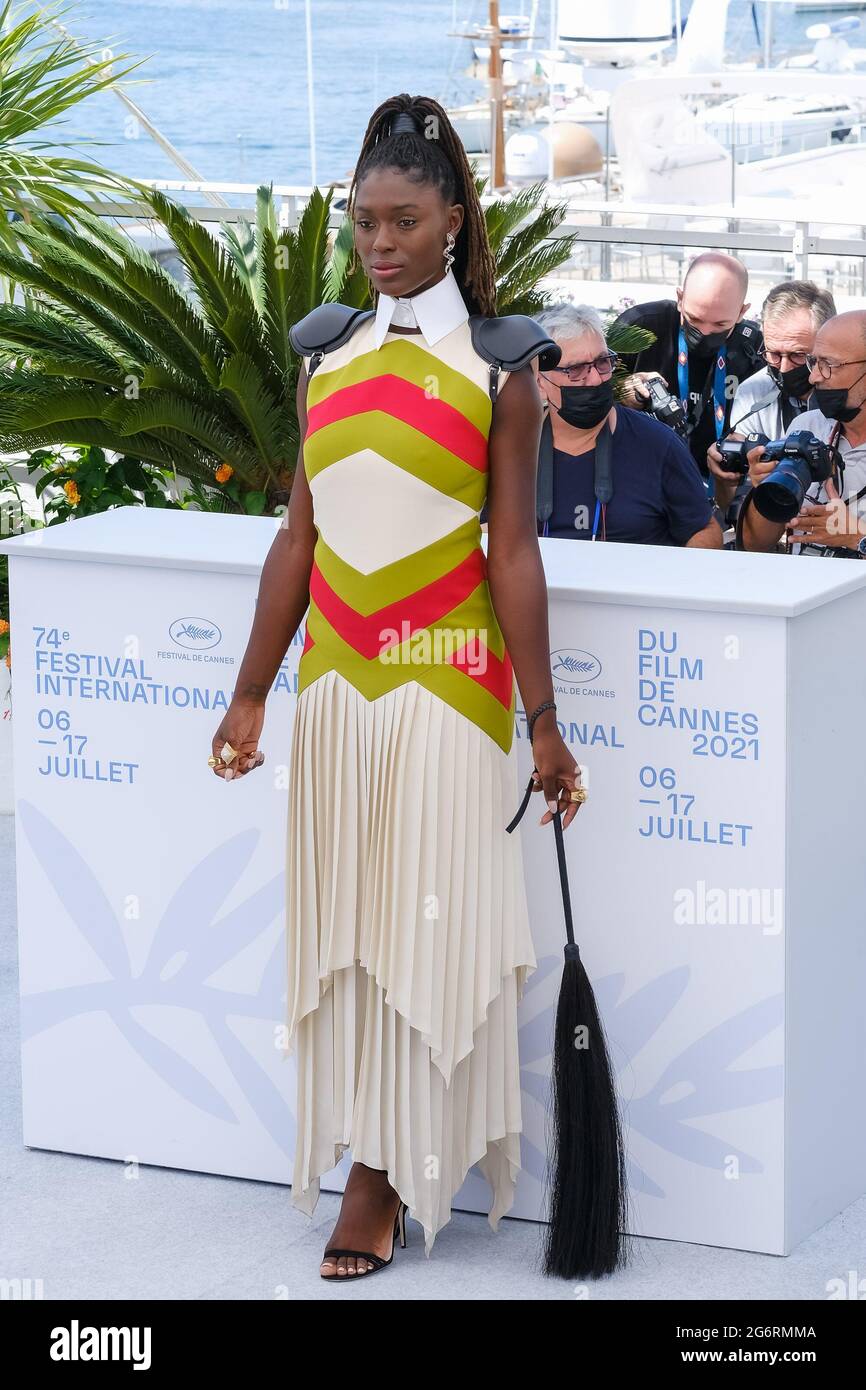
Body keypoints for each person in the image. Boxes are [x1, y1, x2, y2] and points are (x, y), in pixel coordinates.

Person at [209, 95, 583, 1279]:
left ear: (451, 222)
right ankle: (376, 1147)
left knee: (422, 930)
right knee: (356, 932)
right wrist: (250, 689)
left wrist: (544, 727)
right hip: (337, 689)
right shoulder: (324, 350)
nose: (380, 241)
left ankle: (381, 1172)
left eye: (404, 220)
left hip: (450, 687)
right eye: (365, 220)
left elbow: (510, 554)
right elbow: (296, 542)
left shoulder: (501, 364)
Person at [528, 302, 722, 547]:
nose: (596, 378)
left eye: (602, 362)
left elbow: (705, 530)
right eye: (576, 370)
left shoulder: (659, 444)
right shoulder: (514, 450)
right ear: (539, 381)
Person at [611, 251, 764, 478]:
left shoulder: (753, 347)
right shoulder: (640, 326)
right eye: (695, 319)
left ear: (742, 311)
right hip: (640, 474)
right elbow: (591, 392)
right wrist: (623, 389)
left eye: (720, 324)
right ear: (680, 299)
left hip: (715, 481)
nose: (704, 332)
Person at [736, 309, 866, 557]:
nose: (814, 376)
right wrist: (765, 488)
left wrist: (858, 538)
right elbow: (755, 545)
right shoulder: (807, 428)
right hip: (803, 592)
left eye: (829, 364)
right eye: (814, 362)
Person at [708, 281, 837, 524]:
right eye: (773, 354)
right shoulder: (754, 392)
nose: (785, 368)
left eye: (799, 355)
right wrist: (726, 475)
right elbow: (733, 506)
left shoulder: (851, 392)